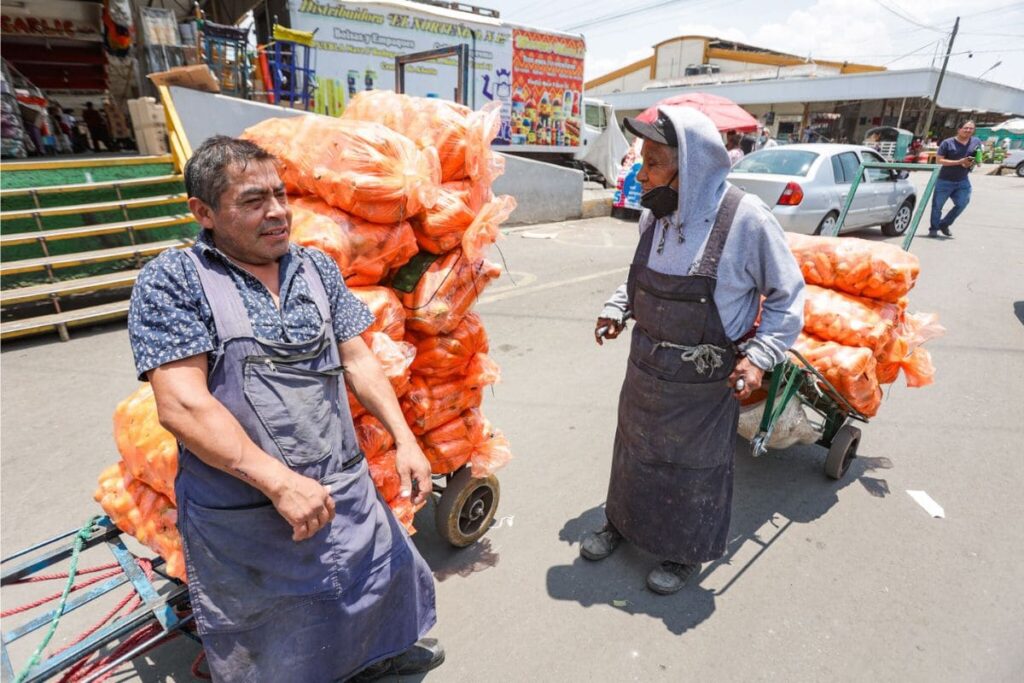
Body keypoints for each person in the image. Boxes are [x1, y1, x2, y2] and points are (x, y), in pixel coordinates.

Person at [127, 136, 442, 682]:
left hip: (340, 480)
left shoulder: (316, 268)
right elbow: (182, 404)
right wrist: (278, 482)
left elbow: (358, 360)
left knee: (371, 580)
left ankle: (376, 656)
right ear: (203, 213)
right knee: (277, 630)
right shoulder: (175, 281)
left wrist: (406, 440)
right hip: (245, 502)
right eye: (252, 201)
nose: (276, 212)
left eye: (279, 194)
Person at [581, 108, 805, 595]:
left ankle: (683, 552)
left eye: (654, 162)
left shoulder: (746, 221)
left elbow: (788, 297)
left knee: (691, 468)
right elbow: (635, 279)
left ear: (694, 168)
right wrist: (617, 309)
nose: (641, 173)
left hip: (704, 381)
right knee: (633, 451)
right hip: (645, 367)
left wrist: (760, 356)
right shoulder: (654, 215)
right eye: (642, 161)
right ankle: (619, 523)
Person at [929, 120, 981, 238]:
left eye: (971, 128)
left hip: (963, 180)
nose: (968, 130)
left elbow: (976, 154)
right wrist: (959, 162)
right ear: (959, 129)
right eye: (965, 128)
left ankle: (944, 224)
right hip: (944, 180)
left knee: (962, 203)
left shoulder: (976, 141)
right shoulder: (947, 143)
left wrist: (973, 162)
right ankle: (934, 228)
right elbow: (939, 160)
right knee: (937, 206)